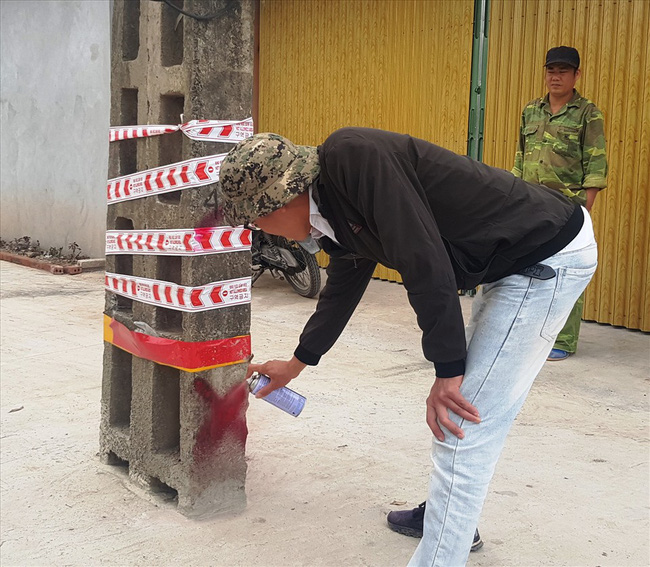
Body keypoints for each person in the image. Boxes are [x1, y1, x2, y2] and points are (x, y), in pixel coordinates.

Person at [218, 127, 597, 565]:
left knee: (460, 422)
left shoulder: (353, 160)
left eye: (255, 218)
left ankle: (442, 549)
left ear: (282, 198)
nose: (260, 230)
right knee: (462, 416)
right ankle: (448, 516)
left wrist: (448, 368)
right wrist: (297, 363)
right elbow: (345, 280)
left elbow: (423, 258)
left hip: (544, 257)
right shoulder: (328, 206)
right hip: (506, 263)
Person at [512, 46, 608, 361]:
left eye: (563, 71)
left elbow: (595, 167)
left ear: (576, 75)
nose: (556, 76)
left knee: (566, 270)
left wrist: (585, 209)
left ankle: (563, 340)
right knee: (525, 265)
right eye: (551, 70)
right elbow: (521, 157)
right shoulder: (531, 111)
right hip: (529, 202)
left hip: (568, 206)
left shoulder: (588, 113)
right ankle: (528, 334)